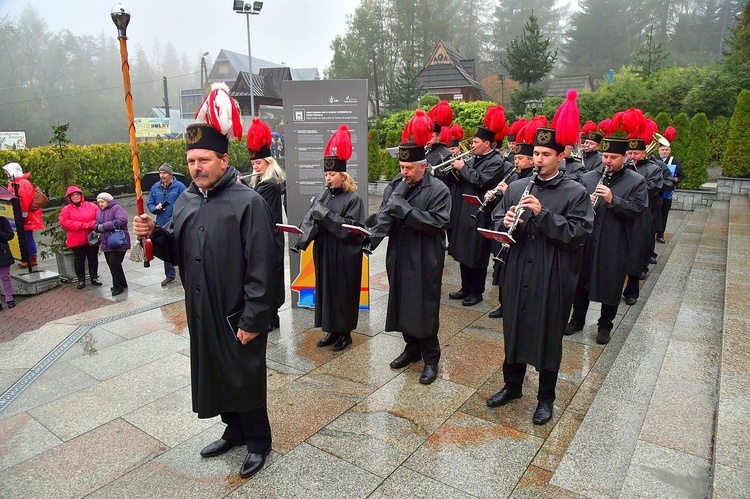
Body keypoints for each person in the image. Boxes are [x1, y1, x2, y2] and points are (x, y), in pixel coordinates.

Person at [132, 82, 279, 479]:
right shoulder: (186, 200)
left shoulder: (248, 203)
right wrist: (154, 235)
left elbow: (264, 267)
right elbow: (178, 250)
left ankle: (259, 442)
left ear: (223, 159)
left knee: (244, 374)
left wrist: (254, 318)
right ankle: (233, 431)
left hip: (236, 311)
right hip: (200, 307)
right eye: (191, 160)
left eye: (204, 159)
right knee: (215, 371)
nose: (196, 167)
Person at [486, 90, 594, 425]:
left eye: (546, 153)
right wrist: (501, 221)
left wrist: (543, 213)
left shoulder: (575, 192)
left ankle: (545, 397)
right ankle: (512, 385)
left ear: (561, 155)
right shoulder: (518, 187)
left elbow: (578, 234)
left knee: (548, 336)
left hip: (553, 272)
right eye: (536, 153)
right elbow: (496, 220)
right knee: (513, 328)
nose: (539, 159)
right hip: (518, 268)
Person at [367, 110, 451, 385]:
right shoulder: (396, 186)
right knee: (402, 302)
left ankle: (431, 358)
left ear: (423, 166)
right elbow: (384, 218)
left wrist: (405, 210)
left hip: (425, 256)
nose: (403, 173)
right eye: (401, 168)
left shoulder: (438, 189)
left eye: (409, 168)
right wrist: (368, 239)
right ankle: (411, 348)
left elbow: (437, 223)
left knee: (424, 307)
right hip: (400, 254)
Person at [565, 135, 648, 344]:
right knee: (581, 282)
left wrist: (613, 200)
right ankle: (577, 320)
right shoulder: (590, 177)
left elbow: (637, 210)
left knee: (611, 283)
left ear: (624, 157)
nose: (607, 161)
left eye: (613, 157)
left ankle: (605, 325)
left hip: (615, 240)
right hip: (588, 239)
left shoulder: (636, 181)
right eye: (606, 156)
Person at [300, 125, 365, 351]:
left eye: (332, 175)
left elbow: (352, 229)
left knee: (342, 293)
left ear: (343, 175)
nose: (328, 179)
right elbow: (316, 220)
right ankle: (331, 329)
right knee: (326, 290)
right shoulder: (325, 193)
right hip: (326, 250)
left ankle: (344, 334)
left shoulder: (353, 198)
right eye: (326, 175)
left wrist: (326, 214)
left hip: (344, 254)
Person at [447, 105, 512, 307]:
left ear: (487, 143)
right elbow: (463, 180)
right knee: (463, 250)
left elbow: (480, 180)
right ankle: (465, 287)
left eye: (475, 142)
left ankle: (477, 291)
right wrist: (454, 169)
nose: (472, 145)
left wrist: (463, 167)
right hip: (465, 210)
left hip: (482, 212)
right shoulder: (474, 158)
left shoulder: (496, 161)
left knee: (476, 252)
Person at [246, 118, 286, 331]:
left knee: (270, 277)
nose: (255, 167)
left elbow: (254, 203)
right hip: (267, 238)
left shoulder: (269, 185)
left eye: (258, 164)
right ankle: (271, 317)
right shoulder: (262, 183)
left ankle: (272, 317)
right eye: (253, 165)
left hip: (270, 240)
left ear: (269, 163)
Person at [147, 162, 186, 286]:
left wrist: (175, 209)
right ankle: (169, 275)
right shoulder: (155, 187)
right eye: (160, 173)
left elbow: (187, 201)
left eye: (164, 173)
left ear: (170, 174)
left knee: (181, 246)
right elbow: (150, 202)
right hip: (162, 222)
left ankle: (185, 270)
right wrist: (155, 208)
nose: (161, 175)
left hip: (177, 221)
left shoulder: (180, 187)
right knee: (166, 247)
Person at [58, 186, 101, 289]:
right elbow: (64, 222)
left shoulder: (92, 206)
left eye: (78, 194)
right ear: (69, 198)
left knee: (93, 258)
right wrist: (84, 225)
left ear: (81, 195)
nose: (76, 196)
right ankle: (81, 280)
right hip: (76, 240)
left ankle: (94, 277)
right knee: (79, 260)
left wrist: (87, 225)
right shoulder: (66, 210)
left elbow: (99, 218)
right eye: (73, 195)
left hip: (92, 238)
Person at [2, 162, 44, 268]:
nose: (6, 173)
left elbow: (25, 200)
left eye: (7, 171)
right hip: (18, 214)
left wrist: (23, 215)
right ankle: (27, 257)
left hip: (24, 215)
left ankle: (31, 258)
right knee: (24, 236)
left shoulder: (23, 183)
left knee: (27, 236)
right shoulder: (13, 182)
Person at [94, 193, 130, 296]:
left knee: (114, 263)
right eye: (99, 202)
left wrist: (104, 226)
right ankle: (122, 283)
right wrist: (96, 227)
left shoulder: (117, 208)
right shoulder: (100, 212)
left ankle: (118, 286)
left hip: (118, 241)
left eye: (102, 202)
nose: (100, 204)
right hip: (106, 242)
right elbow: (96, 223)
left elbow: (122, 220)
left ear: (108, 201)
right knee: (112, 264)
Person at [656, 134, 684, 243]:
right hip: (655, 192)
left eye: (666, 150)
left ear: (670, 150)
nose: (664, 152)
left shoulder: (675, 161)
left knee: (664, 213)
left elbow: (681, 176)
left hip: (666, 193)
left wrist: (676, 179)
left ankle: (660, 234)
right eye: (662, 150)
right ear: (658, 150)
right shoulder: (654, 159)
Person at [0, 216, 15, 309]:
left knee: (5, 277)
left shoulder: (2, 220)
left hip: (3, 254)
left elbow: (10, 235)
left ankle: (9, 299)